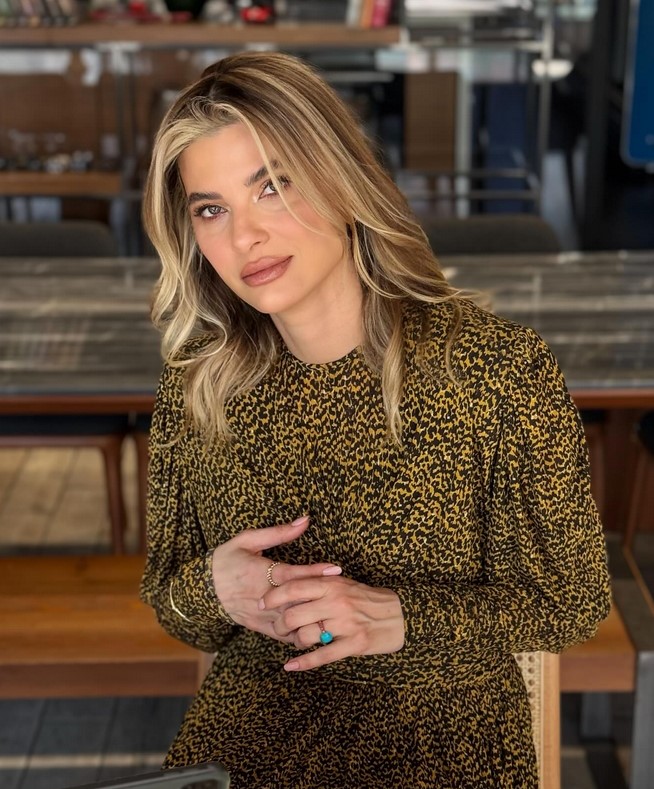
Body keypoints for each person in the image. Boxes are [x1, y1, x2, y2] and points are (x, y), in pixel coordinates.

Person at [139, 51, 611, 788]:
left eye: (273, 186)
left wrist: (402, 618)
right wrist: (214, 588)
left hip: (440, 749)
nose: (244, 236)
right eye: (211, 209)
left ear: (338, 177)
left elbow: (572, 601)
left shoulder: (495, 371)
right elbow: (174, 604)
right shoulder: (199, 385)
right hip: (248, 745)